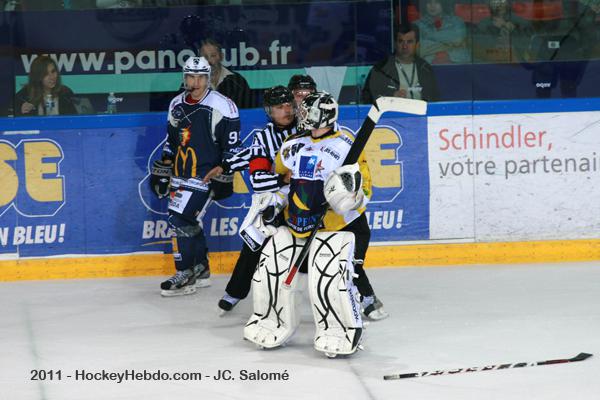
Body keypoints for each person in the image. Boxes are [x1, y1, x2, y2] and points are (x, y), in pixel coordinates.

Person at [243, 92, 386, 357]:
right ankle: (271, 321)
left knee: (329, 280)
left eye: (307, 112)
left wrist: (349, 196)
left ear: (324, 115)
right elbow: (283, 178)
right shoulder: (292, 143)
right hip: (295, 222)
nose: (300, 116)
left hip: (332, 226)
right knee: (271, 271)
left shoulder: (346, 145)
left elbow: (364, 190)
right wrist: (274, 201)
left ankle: (340, 330)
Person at [150, 56, 241, 297]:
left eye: (201, 76)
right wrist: (165, 168)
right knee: (187, 220)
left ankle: (185, 273)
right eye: (191, 76)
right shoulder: (176, 104)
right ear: (185, 77)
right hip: (180, 175)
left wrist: (225, 170)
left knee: (179, 219)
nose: (196, 81)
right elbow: (172, 142)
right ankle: (200, 267)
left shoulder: (224, 105)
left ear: (209, 77)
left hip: (205, 176)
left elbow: (232, 146)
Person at [204, 85, 297, 313]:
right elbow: (258, 181)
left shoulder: (307, 130)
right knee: (254, 240)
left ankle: (358, 293)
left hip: (306, 198)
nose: (286, 110)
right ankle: (235, 292)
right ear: (269, 111)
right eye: (279, 107)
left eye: (289, 105)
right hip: (277, 200)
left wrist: (226, 164)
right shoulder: (263, 137)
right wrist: (283, 179)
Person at [362, 24, 439, 104]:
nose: (405, 46)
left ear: (417, 45)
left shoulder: (425, 68)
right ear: (395, 44)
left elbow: (434, 99)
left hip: (422, 115)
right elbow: (367, 98)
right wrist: (391, 97)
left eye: (409, 42)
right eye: (401, 41)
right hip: (392, 115)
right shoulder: (381, 69)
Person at [199, 38, 254, 109]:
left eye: (213, 56)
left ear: (221, 56)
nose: (209, 61)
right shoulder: (192, 83)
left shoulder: (238, 81)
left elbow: (248, 111)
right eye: (205, 57)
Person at [414, 0, 470, 64]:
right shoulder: (417, 25)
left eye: (437, 2)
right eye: (429, 3)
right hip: (428, 65)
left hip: (458, 63)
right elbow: (420, 49)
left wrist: (428, 35)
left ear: (443, 3)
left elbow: (458, 40)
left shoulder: (456, 21)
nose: (432, 6)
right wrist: (450, 45)